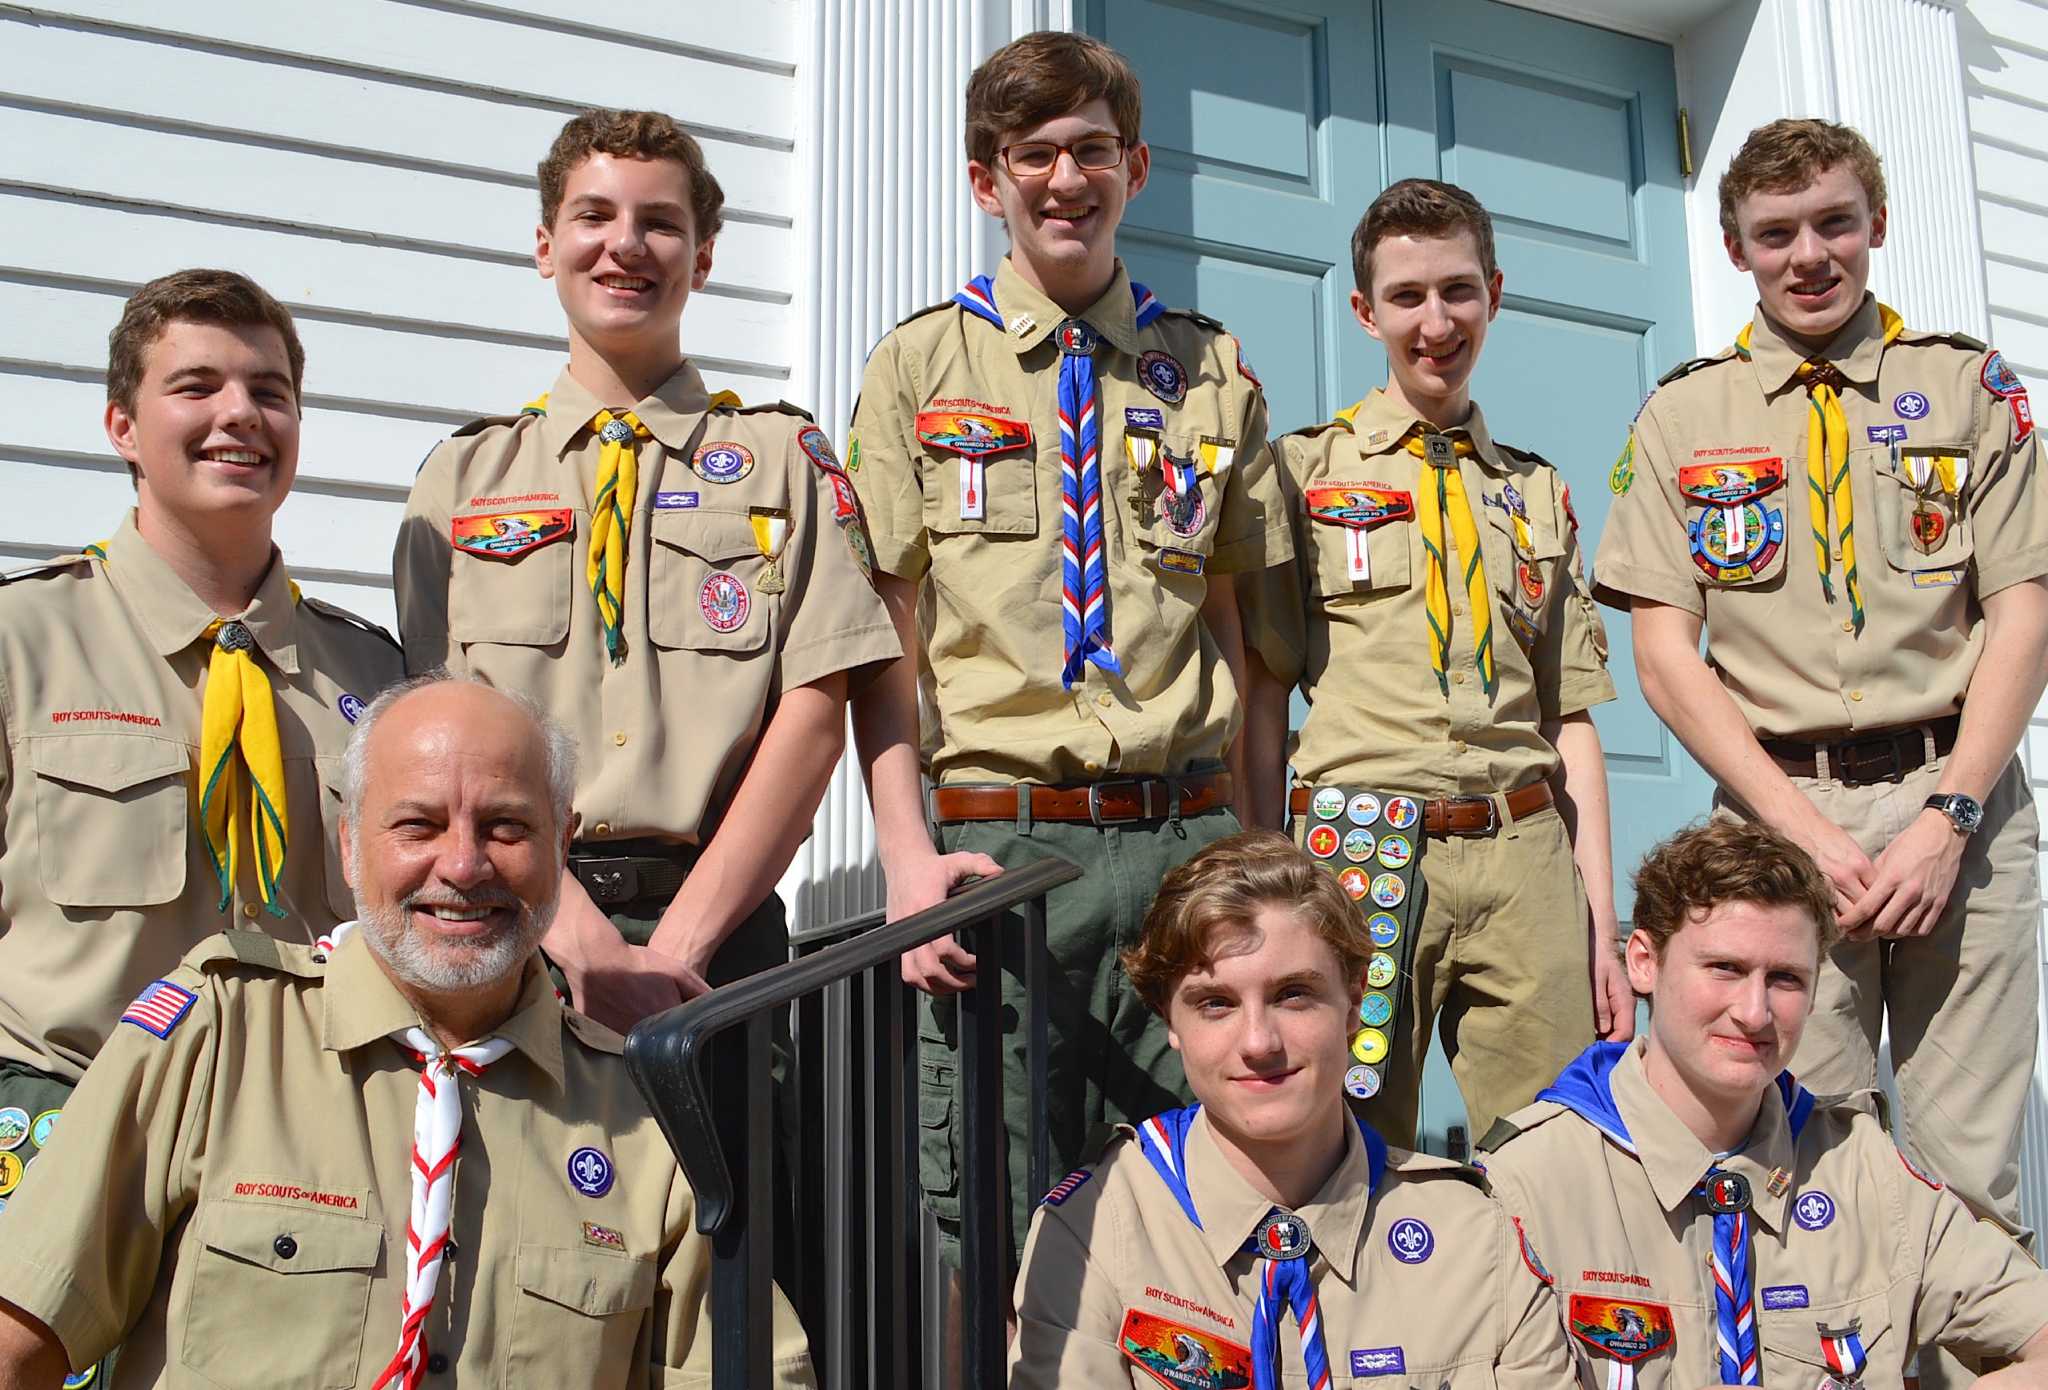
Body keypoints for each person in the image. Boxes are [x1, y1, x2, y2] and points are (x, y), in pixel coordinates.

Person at [0, 674, 817, 1388]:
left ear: (560, 847)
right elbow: (18, 1344)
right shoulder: (218, 1039)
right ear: (350, 844)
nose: (463, 866)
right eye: (418, 826)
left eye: (506, 827)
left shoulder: (643, 1126)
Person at [844, 30, 1291, 1271]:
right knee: (1001, 1198)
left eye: (1090, 149)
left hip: (1185, 837)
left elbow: (1240, 641)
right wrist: (905, 854)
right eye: (1032, 153)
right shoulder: (918, 367)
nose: (1064, 179)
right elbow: (878, 637)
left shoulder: (1208, 371)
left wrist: (1258, 854)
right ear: (984, 177)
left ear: (1134, 167)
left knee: (1219, 1181)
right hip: (1004, 837)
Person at [1592, 118, 2048, 1263]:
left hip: (1961, 810)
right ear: (1736, 247)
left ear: (1875, 226)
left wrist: (1948, 817)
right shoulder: (1682, 417)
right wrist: (1800, 832)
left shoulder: (1962, 389)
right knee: (1791, 1148)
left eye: (1833, 223)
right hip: (1776, 816)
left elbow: (2022, 613)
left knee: (1965, 1165)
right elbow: (1662, 657)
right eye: (1775, 232)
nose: (1808, 254)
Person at [394, 108, 896, 1034]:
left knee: (733, 1182)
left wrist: (677, 952)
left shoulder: (784, 460)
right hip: (510, 929)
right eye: (594, 216)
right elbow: (437, 724)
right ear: (546, 246)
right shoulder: (462, 481)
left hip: (719, 937)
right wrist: (581, 942)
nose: (626, 244)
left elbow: (817, 711)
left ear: (702, 259)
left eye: (660, 222)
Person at [0, 268, 401, 1232]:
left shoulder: (374, 673)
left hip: (306, 1161)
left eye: (271, 392)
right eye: (197, 387)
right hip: (66, 1132)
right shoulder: (22, 645)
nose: (241, 415)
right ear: (123, 429)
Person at [1239, 179, 1624, 1146]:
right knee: (1343, 1143)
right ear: (1366, 312)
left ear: (1495, 292)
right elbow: (1262, 688)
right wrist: (1259, 876)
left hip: (1524, 846)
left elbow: (1569, 716)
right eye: (1407, 296)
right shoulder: (1304, 472)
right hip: (1356, 845)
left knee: (1559, 1145)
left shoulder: (1535, 490)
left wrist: (1600, 921)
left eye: (1458, 290)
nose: (1436, 320)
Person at [1480, 819, 2048, 1390]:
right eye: (1724, 968)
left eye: (1785, 979)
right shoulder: (1527, 1185)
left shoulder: (1861, 1170)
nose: (1755, 1012)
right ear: (1643, 962)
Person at [1009, 830, 1579, 1389]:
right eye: (1215, 1004)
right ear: (1169, 1023)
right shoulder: (1097, 1232)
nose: (1259, 1042)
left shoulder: (1476, 1238)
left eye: (1293, 995)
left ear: (1356, 1002)